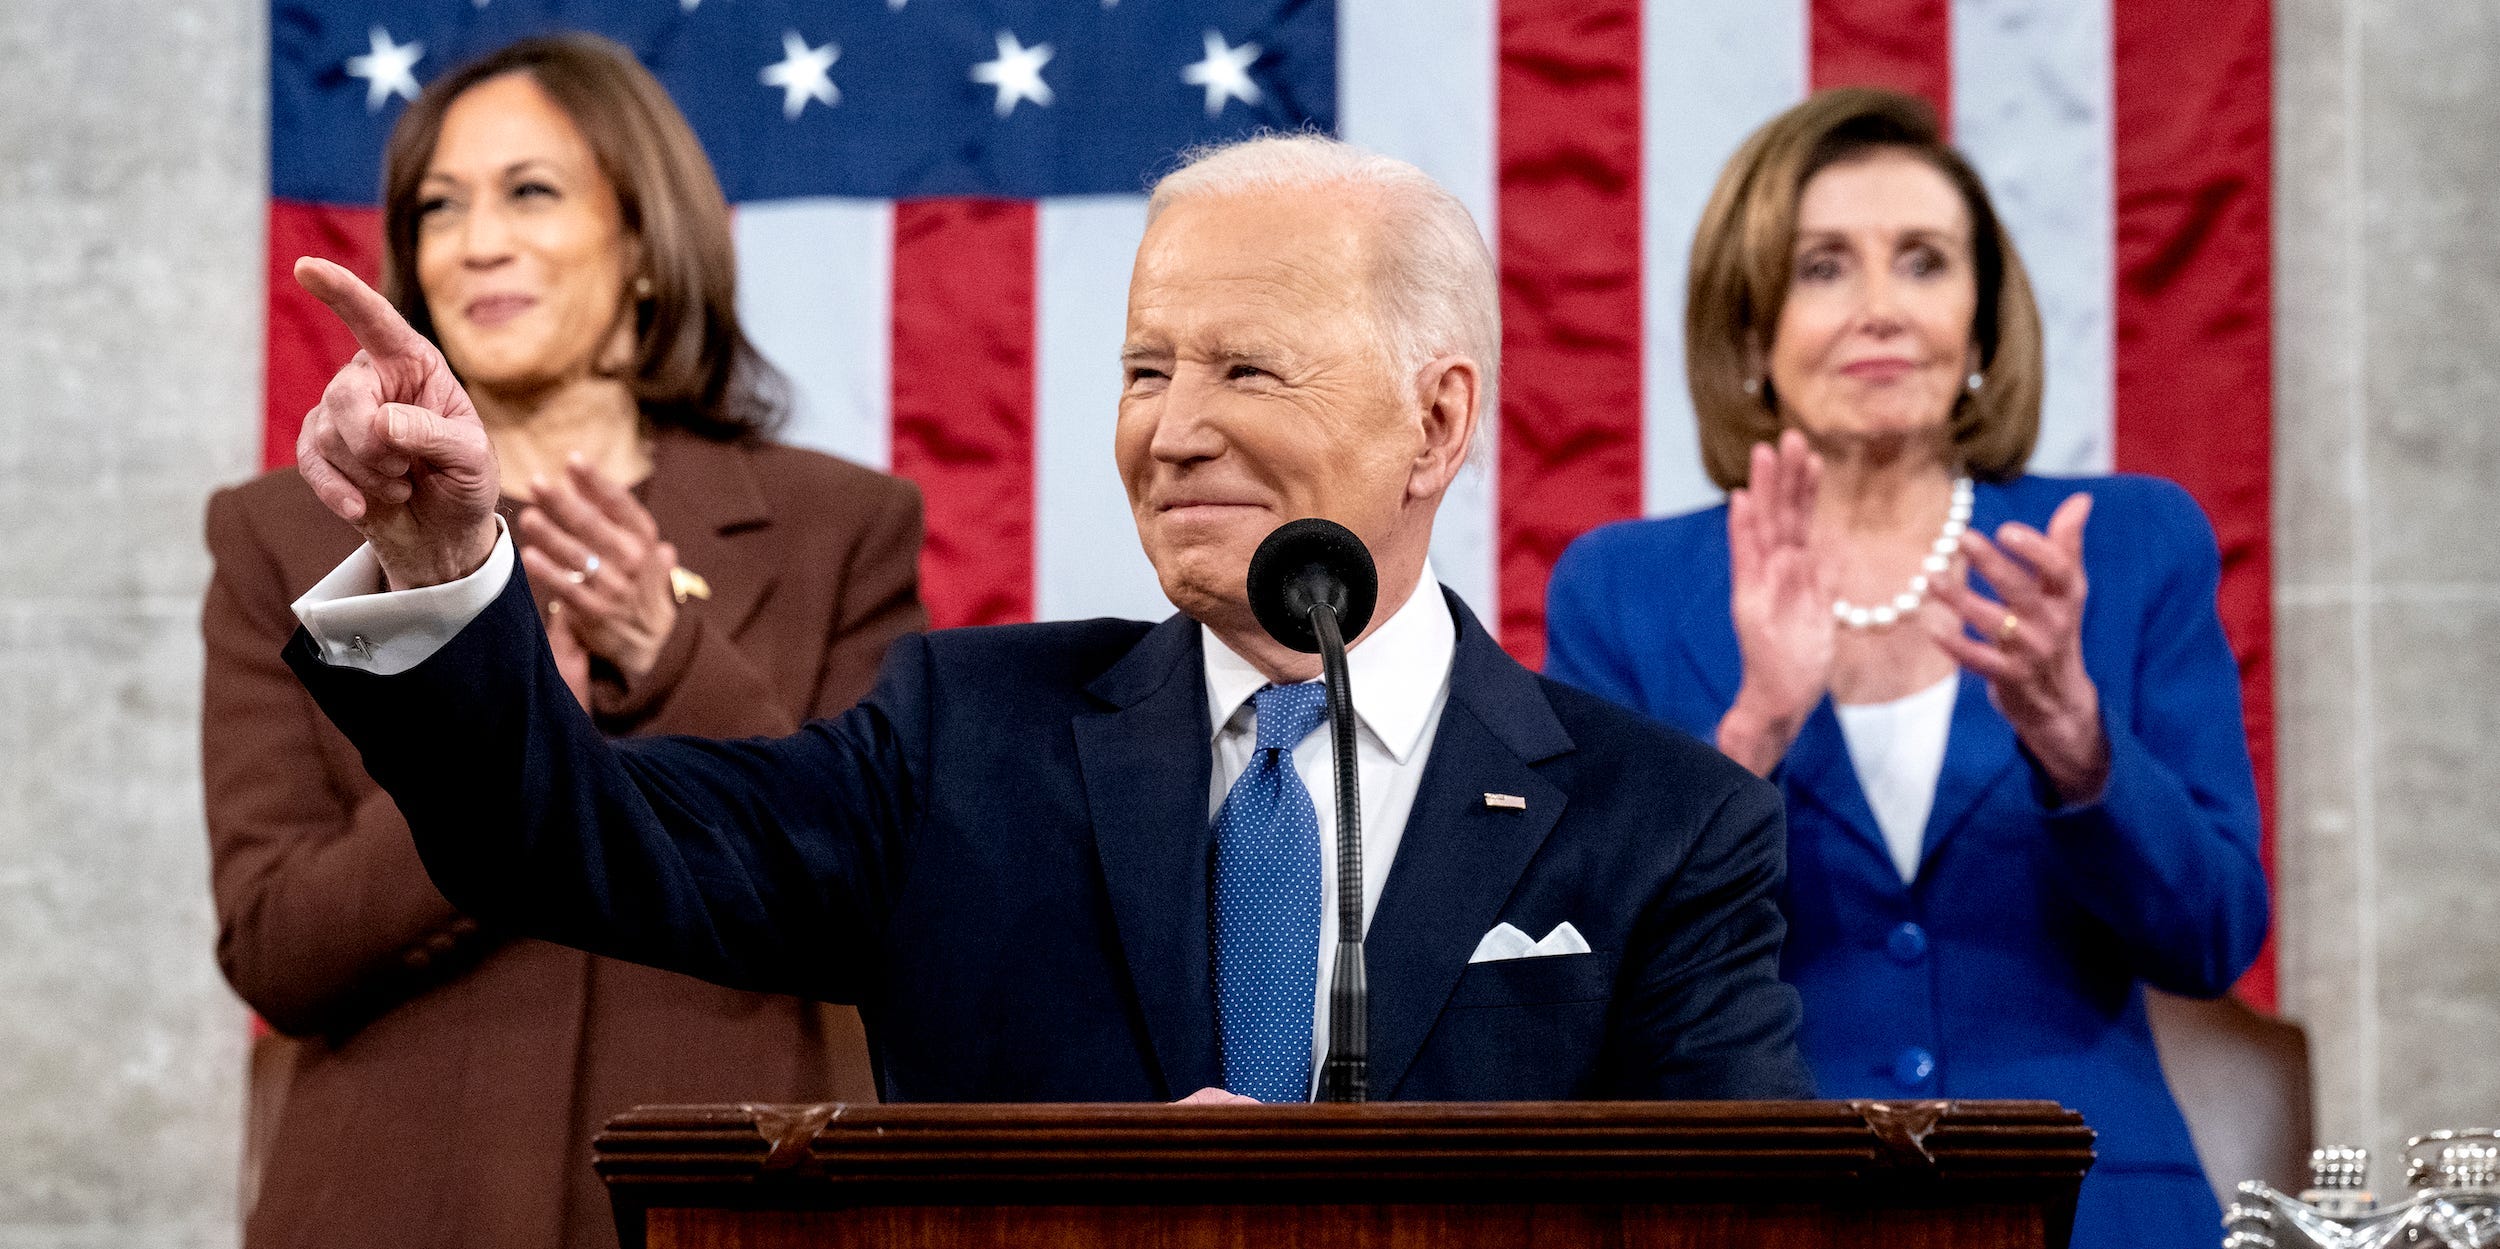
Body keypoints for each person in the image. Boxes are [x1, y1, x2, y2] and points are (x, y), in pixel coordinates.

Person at [267, 134, 1814, 1106]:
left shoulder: (1668, 830)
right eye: (1148, 371)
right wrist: (448, 562)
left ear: (1437, 420)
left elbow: (1748, 1235)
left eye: (1245, 370)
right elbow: (565, 836)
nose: (1174, 430)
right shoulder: (963, 742)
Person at [202, 34, 924, 1249]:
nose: (476, 240)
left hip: (726, 1211)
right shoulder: (285, 535)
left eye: (530, 191)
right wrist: (489, 716)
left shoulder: (840, 526)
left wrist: (673, 654)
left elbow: (873, 903)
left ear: (643, 241)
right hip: (395, 1211)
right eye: (440, 207)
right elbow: (278, 948)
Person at [1542, 89, 2268, 1249]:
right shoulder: (1621, 587)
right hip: (1773, 1212)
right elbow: (1588, 973)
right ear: (1749, 329)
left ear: (1981, 325)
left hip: (2090, 1211)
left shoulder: (2128, 544)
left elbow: (2215, 936)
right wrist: (1753, 738)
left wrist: (2079, 743)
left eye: (1923, 262)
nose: (1880, 308)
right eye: (1824, 266)